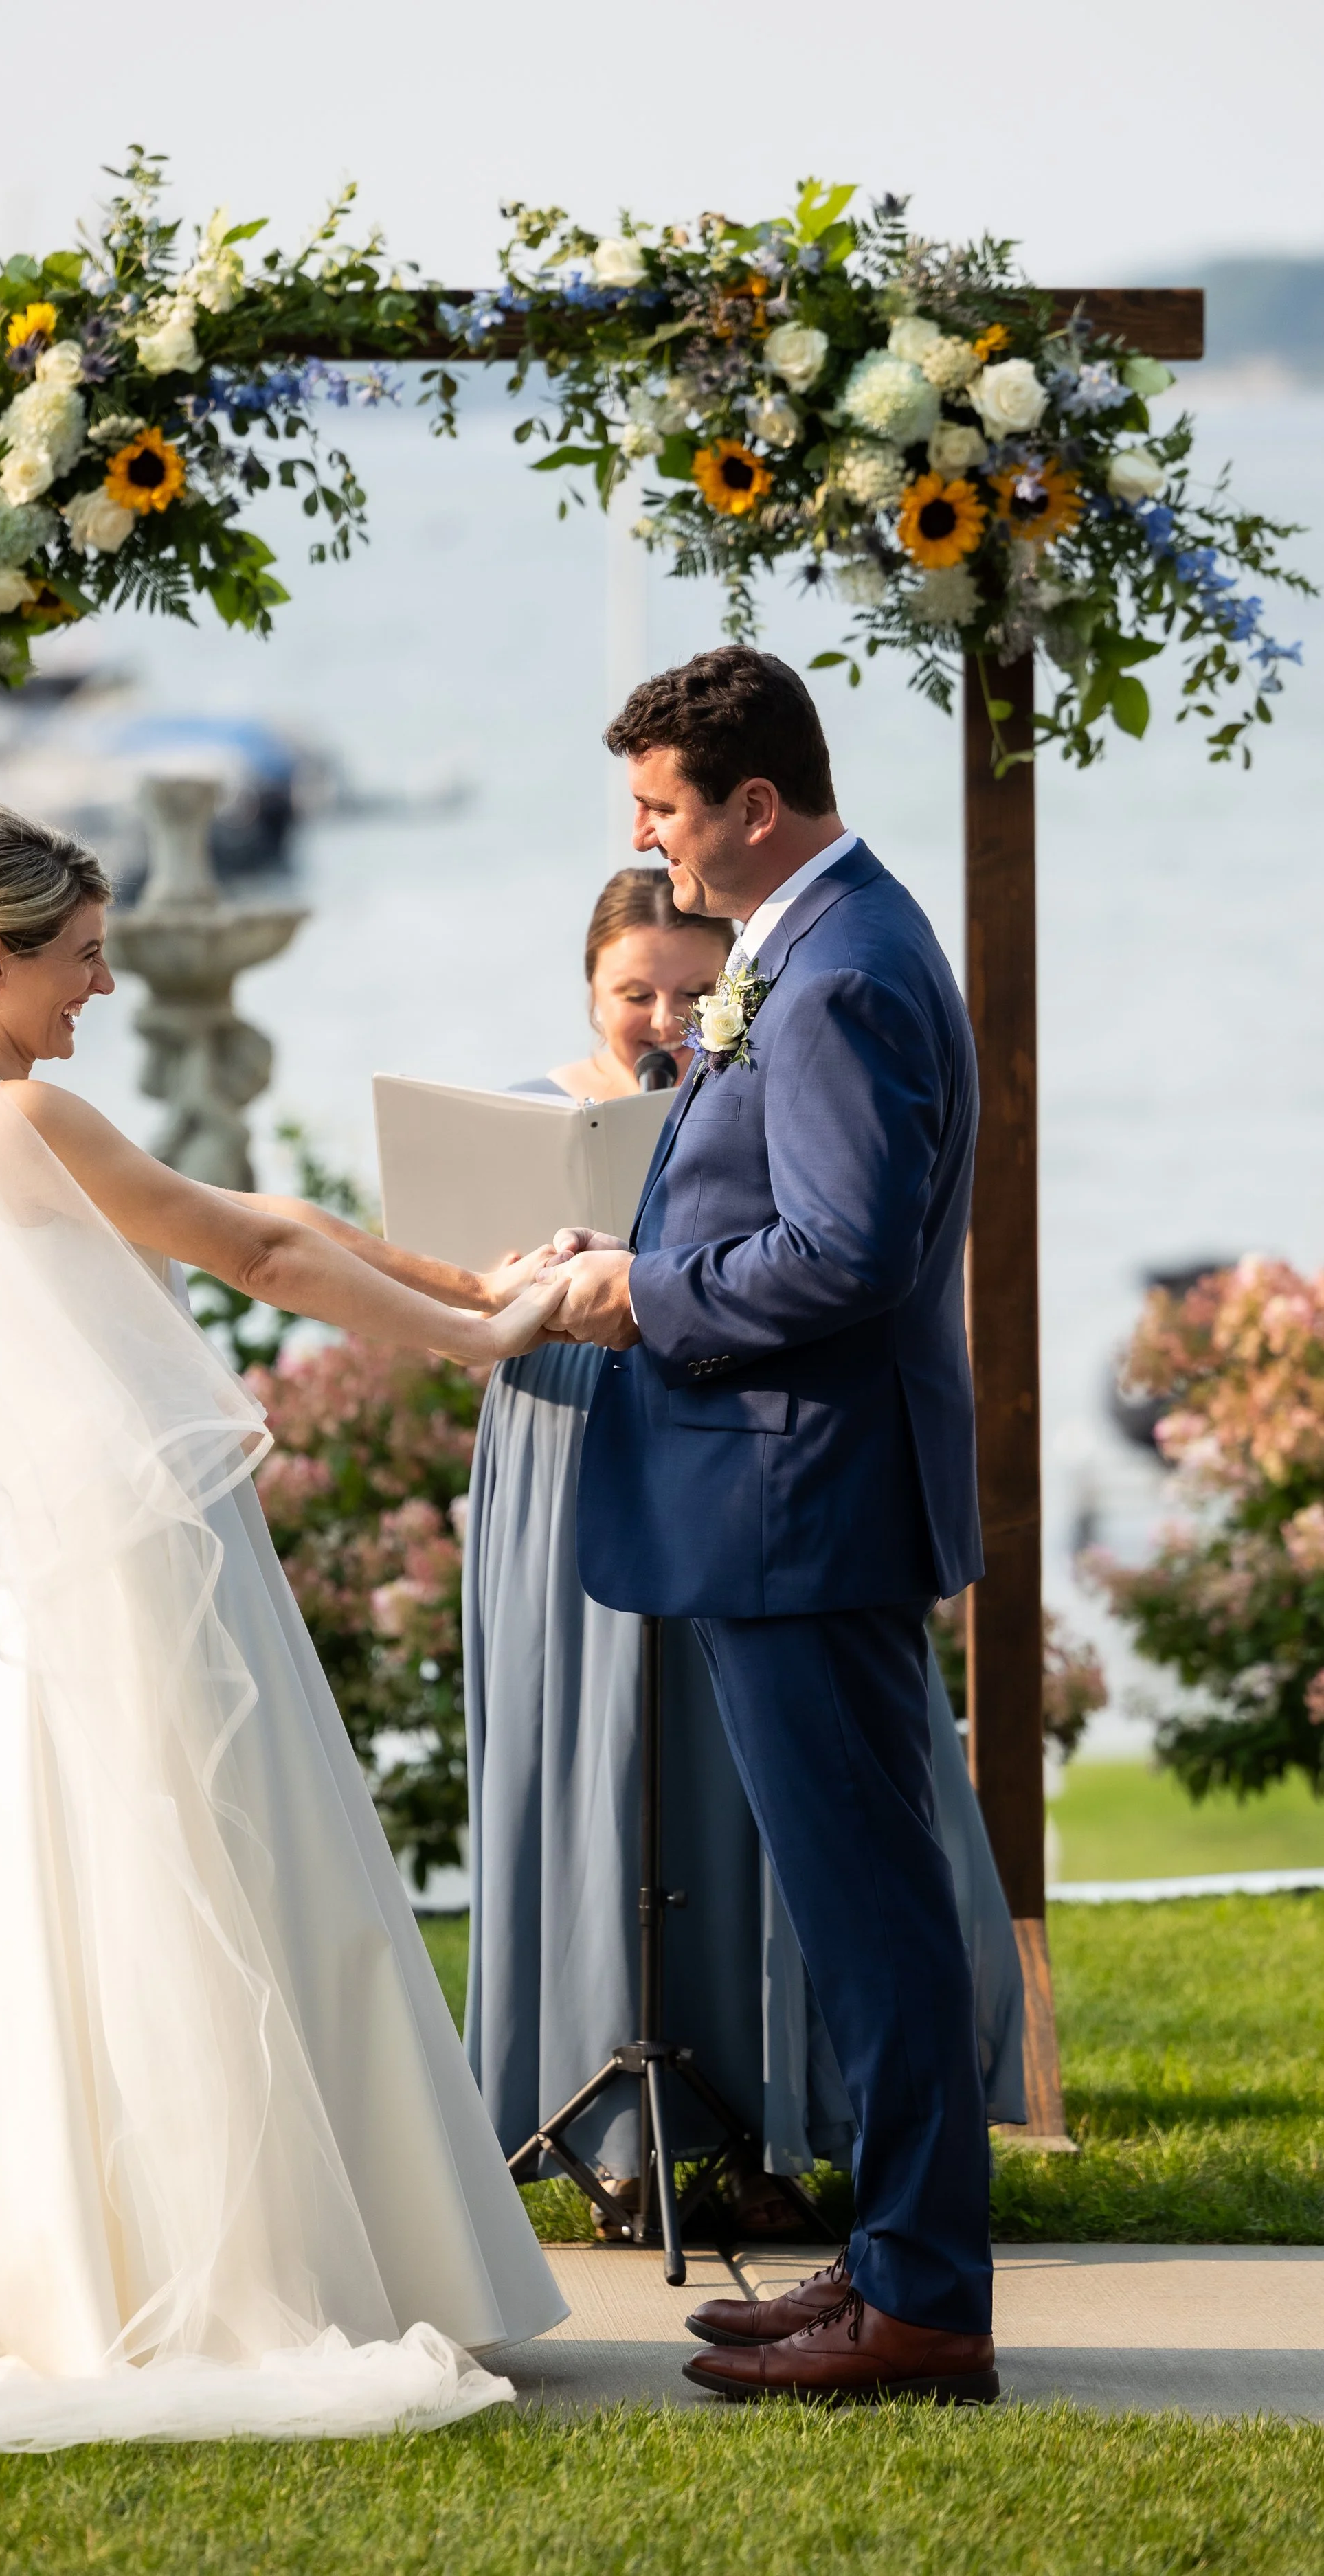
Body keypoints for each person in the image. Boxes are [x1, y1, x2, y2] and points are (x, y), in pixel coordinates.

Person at [0, 800, 567, 2467]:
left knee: (163, 1891)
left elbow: (268, 1216)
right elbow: (260, 1251)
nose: (106, 986)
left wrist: (460, 1271)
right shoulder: (16, 1123)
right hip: (145, 1563)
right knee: (226, 1881)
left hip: (105, 1563)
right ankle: (265, 2277)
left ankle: (159, 2257)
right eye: (78, 960)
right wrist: (484, 1336)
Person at [548, 648, 1002, 2406]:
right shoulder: (814, 941)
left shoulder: (833, 975)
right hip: (788, 1494)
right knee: (857, 1899)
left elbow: (843, 1253)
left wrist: (636, 1292)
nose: (648, 845)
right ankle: (892, 2265)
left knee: (871, 1909)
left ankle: (921, 2313)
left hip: (796, 1498)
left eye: (661, 810)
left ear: (751, 807)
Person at [465, 869, 1024, 2234]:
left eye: (683, 990)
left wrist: (641, 1280)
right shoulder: (536, 1112)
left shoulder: (791, 1032)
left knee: (769, 1817)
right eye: (628, 993)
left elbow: (842, 1249)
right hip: (570, 1447)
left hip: (743, 1460)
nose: (659, 1017)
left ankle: (776, 2120)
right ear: (586, 990)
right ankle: (606, 2124)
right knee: (592, 1773)